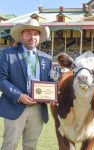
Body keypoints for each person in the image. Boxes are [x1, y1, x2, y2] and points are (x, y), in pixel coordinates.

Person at [0, 19, 55, 150]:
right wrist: (19, 96)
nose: (32, 37)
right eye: (28, 33)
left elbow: (50, 81)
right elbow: (1, 79)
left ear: (39, 37)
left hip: (38, 109)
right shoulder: (8, 54)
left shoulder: (46, 58)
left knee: (31, 146)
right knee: (9, 145)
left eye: (36, 34)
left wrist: (53, 95)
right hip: (15, 106)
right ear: (21, 36)